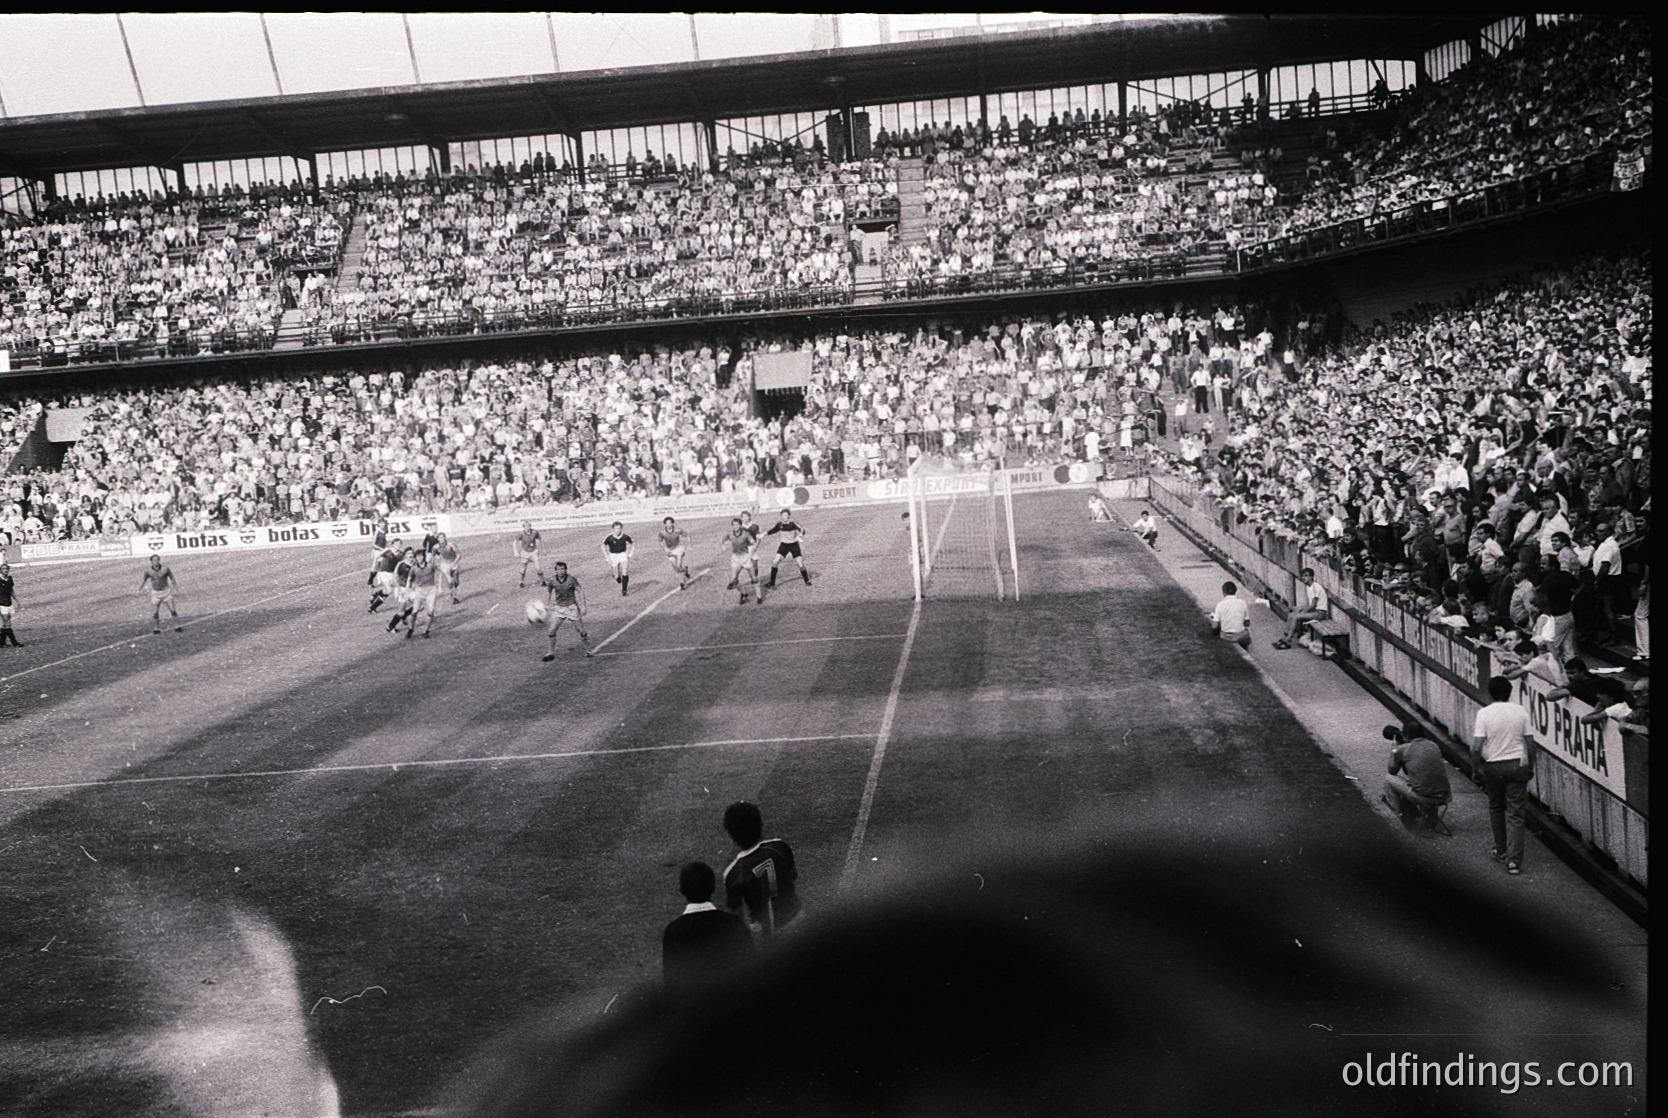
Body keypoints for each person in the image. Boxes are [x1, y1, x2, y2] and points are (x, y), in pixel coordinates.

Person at [1469, 675, 1535, 876]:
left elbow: (1477, 747)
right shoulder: (1521, 711)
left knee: (1496, 807)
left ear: (1490, 693)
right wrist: (1530, 766)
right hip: (1517, 764)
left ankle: (1500, 849)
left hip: (1494, 766)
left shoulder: (1484, 713)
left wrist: (1475, 769)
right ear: (1510, 692)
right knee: (1516, 815)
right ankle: (1514, 862)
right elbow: (1530, 743)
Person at [662, 861, 753, 993]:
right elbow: (751, 970)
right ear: (713, 887)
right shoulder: (734, 923)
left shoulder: (673, 931)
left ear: (682, 891)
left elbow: (671, 983)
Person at [721, 801, 800, 937]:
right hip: (795, 917)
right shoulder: (779, 846)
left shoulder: (732, 873)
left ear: (731, 835)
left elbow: (737, 916)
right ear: (760, 825)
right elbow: (793, 876)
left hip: (766, 933)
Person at [1381, 722, 1451, 836]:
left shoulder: (1403, 749)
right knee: (1427, 781)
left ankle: (1404, 815)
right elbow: (1413, 771)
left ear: (1406, 735)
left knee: (1388, 779)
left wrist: (1394, 751)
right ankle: (1431, 819)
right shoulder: (1433, 745)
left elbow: (1392, 771)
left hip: (1424, 797)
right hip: (1445, 795)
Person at [539, 561, 591, 661]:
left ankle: (588, 650)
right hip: (559, 608)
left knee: (581, 631)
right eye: (558, 569)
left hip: (572, 607)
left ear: (565, 570)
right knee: (551, 631)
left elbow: (580, 591)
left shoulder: (571, 580)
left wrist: (583, 606)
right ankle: (550, 653)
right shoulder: (552, 580)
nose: (561, 571)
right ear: (556, 570)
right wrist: (547, 604)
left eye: (562, 569)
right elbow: (549, 592)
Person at [387, 548, 440, 639]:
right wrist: (400, 590)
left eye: (412, 553)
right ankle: (391, 626)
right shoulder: (401, 564)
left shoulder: (415, 565)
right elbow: (394, 578)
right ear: (405, 555)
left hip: (412, 589)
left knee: (420, 607)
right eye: (409, 553)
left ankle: (410, 624)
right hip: (402, 589)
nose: (411, 555)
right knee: (401, 612)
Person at [1273, 567, 1329, 650]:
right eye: (1302, 576)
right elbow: (1309, 604)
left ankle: (1288, 641)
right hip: (1314, 611)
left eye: (1306, 576)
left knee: (1296, 616)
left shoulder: (1316, 587)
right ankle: (1285, 637)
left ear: (1311, 577)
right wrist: (1301, 610)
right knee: (1291, 615)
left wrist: (1302, 612)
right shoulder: (1309, 587)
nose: (1304, 578)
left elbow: (1313, 605)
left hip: (1320, 613)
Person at [764, 509, 811, 589]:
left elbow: (802, 531)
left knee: (800, 564)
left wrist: (799, 536)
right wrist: (764, 534)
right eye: (782, 515)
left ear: (789, 516)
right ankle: (772, 583)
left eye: (785, 515)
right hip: (784, 546)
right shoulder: (780, 524)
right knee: (775, 562)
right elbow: (773, 530)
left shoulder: (793, 524)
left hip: (794, 546)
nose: (783, 517)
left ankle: (807, 580)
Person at [140, 554, 182, 634]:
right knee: (155, 613)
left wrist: (176, 589)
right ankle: (157, 628)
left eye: (157, 560)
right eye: (154, 560)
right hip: (155, 593)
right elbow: (144, 580)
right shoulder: (148, 571)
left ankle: (177, 626)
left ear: (159, 560)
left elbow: (172, 578)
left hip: (166, 592)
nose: (156, 562)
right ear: (151, 562)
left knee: (173, 610)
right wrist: (140, 589)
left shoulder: (165, 569)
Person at [724, 518, 761, 605]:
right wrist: (723, 545)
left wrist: (751, 552)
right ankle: (744, 594)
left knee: (754, 578)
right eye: (734, 525)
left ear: (740, 525)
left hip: (745, 557)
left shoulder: (746, 534)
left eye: (737, 525)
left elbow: (754, 542)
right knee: (734, 579)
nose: (735, 527)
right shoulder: (730, 534)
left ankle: (759, 597)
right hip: (735, 558)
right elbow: (723, 539)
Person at [1210, 580, 1251, 648]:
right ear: (1236, 591)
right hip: (1240, 636)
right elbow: (1247, 623)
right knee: (1246, 634)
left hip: (1225, 636)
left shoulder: (1220, 605)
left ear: (1224, 592)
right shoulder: (1242, 603)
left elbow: (1214, 626)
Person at [368, 539, 402, 613]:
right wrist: (377, 566)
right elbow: (377, 557)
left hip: (391, 574)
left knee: (387, 590)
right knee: (389, 590)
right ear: (393, 545)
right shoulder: (387, 551)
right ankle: (372, 608)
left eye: (399, 544)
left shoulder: (400, 554)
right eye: (396, 544)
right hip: (383, 573)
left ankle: (376, 594)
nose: (398, 546)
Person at [659, 516, 693, 590]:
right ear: (665, 524)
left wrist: (689, 546)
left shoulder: (678, 530)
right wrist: (665, 548)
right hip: (670, 550)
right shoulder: (662, 533)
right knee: (675, 567)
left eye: (670, 523)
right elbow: (660, 541)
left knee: (678, 564)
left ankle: (682, 583)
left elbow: (687, 535)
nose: (669, 524)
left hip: (679, 548)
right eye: (667, 523)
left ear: (672, 523)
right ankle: (685, 570)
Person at [601, 521, 634, 597]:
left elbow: (632, 543)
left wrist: (630, 553)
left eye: (619, 528)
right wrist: (607, 556)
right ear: (613, 529)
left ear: (621, 529)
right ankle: (617, 577)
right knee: (617, 577)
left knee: (625, 571)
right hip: (613, 555)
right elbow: (603, 546)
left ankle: (624, 590)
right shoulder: (609, 537)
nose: (618, 530)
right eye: (616, 528)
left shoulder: (625, 536)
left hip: (622, 554)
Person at [433, 532, 463, 604]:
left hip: (454, 563)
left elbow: (459, 554)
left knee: (456, 581)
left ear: (445, 538)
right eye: (440, 538)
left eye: (443, 537)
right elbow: (434, 555)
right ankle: (454, 597)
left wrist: (454, 563)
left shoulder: (451, 545)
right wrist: (436, 562)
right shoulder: (435, 547)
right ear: (437, 539)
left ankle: (453, 591)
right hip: (445, 564)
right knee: (450, 581)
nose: (441, 539)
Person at [514, 522, 542, 589]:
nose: (527, 528)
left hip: (533, 552)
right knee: (523, 569)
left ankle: (542, 581)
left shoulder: (535, 532)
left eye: (528, 526)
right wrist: (516, 551)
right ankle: (521, 582)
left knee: (538, 568)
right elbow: (515, 542)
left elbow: (539, 540)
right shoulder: (521, 534)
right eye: (526, 526)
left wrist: (539, 548)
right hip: (525, 553)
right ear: (523, 527)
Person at [0, 562, 19, 646]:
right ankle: (14, 642)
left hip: (9, 603)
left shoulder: (10, 579)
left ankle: (1, 642)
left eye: (7, 569)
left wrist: (17, 600)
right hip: (1, 604)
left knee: (5, 624)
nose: (6, 571)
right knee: (8, 623)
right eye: (4, 569)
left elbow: (11, 590)